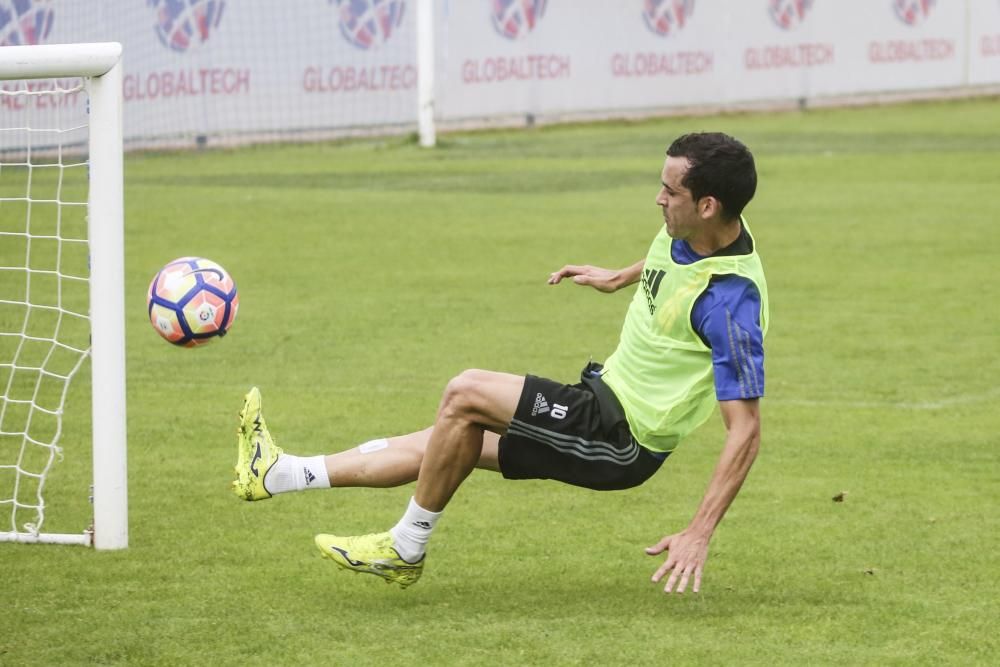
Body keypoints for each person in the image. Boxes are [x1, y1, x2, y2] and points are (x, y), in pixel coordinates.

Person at [232, 132, 769, 595]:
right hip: (600, 400)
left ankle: (404, 547)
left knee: (465, 391)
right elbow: (671, 259)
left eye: (669, 192)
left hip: (620, 437)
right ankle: (279, 474)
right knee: (446, 438)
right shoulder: (695, 231)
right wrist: (619, 276)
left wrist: (699, 532)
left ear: (707, 205)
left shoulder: (730, 305)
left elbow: (744, 430)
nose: (657, 200)